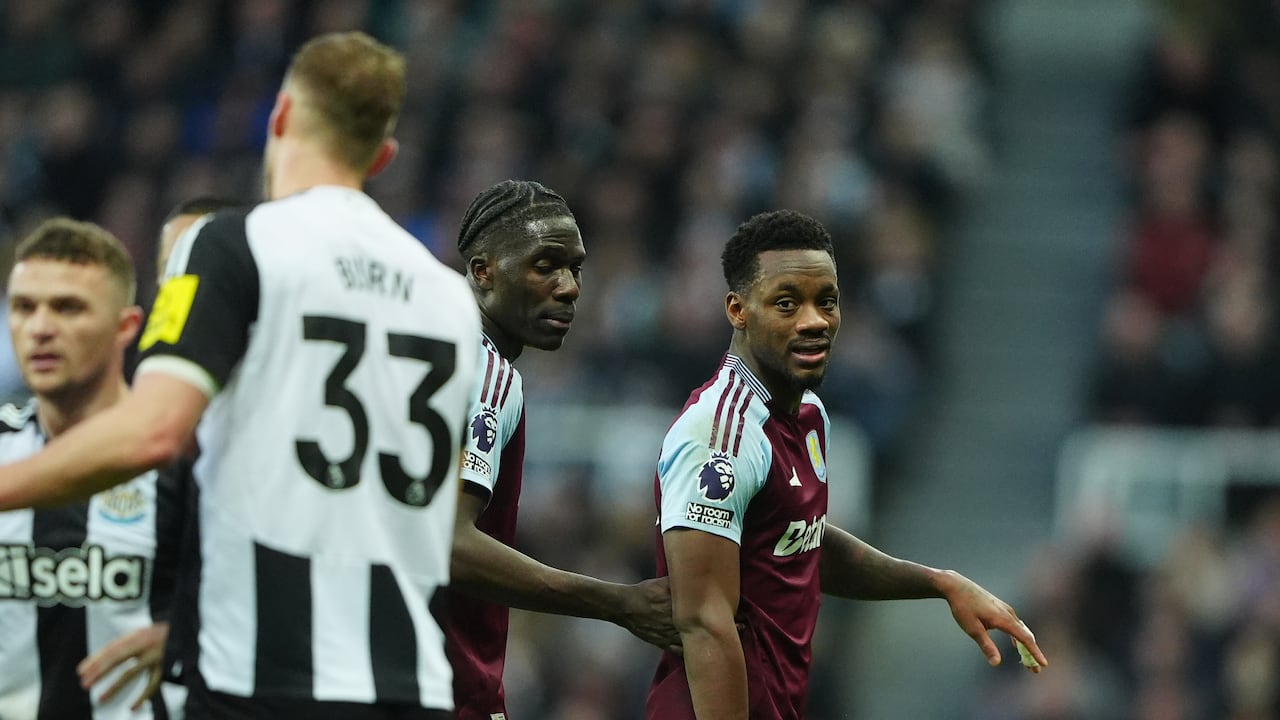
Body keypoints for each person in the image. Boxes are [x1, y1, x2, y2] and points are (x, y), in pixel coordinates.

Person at [0, 30, 481, 720]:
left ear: (279, 117)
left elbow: (153, 431)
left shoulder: (232, 244)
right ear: (382, 156)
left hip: (266, 680)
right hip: (413, 683)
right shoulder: (448, 297)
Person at [645, 209, 1048, 720]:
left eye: (826, 301)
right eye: (787, 303)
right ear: (738, 309)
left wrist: (938, 582)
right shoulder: (719, 435)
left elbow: (801, 541)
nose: (814, 321)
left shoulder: (809, 415)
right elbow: (704, 623)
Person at [444, 179, 677, 719]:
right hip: (442, 688)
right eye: (545, 265)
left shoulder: (418, 351)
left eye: (575, 268)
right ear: (483, 271)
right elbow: (448, 543)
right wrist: (616, 602)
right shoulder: (485, 374)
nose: (570, 287)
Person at [0, 218, 183, 719]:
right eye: (23, 307)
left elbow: (254, 605)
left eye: (68, 308)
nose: (40, 328)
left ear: (126, 327)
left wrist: (189, 638)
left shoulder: (182, 459)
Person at [75, 195, 242, 712]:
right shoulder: (120, 419)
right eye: (177, 272)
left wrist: (187, 630)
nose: (193, 291)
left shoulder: (291, 420)